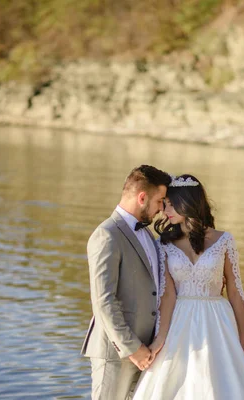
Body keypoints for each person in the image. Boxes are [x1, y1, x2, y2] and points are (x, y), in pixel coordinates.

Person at [132, 174, 244, 399]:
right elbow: (167, 295)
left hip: (219, 321)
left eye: (172, 204)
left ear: (188, 203)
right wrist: (159, 340)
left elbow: (235, 291)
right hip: (180, 322)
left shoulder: (224, 240)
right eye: (164, 204)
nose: (165, 211)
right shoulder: (163, 243)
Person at [81, 165, 172, 400]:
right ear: (142, 197)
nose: (162, 209)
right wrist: (133, 348)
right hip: (116, 352)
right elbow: (103, 301)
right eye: (160, 201)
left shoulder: (149, 236)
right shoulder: (106, 235)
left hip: (147, 351)